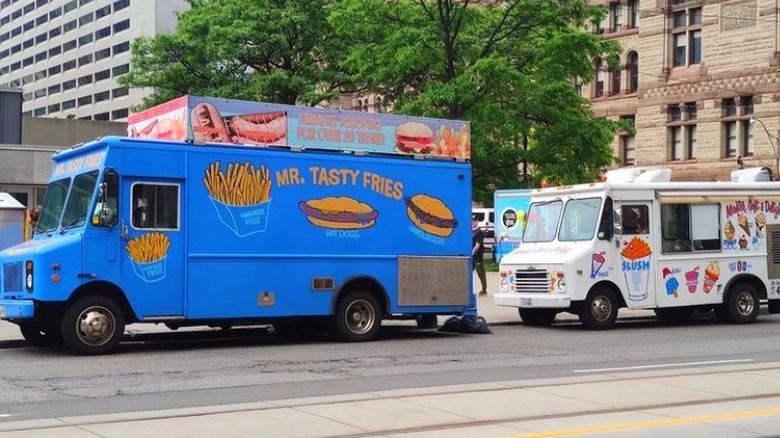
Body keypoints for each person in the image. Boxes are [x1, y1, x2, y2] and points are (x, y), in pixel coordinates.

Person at [472, 215, 487, 296]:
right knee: (468, 272)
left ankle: (484, 289)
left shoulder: (479, 232)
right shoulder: (469, 231)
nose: (473, 222)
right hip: (471, 256)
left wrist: (472, 253)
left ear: (477, 221)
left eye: (474, 220)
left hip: (477, 255)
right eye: (472, 220)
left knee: (480, 273)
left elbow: (477, 245)